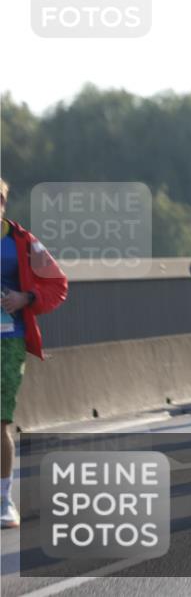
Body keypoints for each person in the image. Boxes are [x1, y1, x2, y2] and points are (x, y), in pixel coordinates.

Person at [1, 179, 69, 529]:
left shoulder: (23, 242)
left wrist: (26, 298)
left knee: (0, 419)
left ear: (3, 202)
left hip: (8, 339)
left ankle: (3, 499)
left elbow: (57, 284)